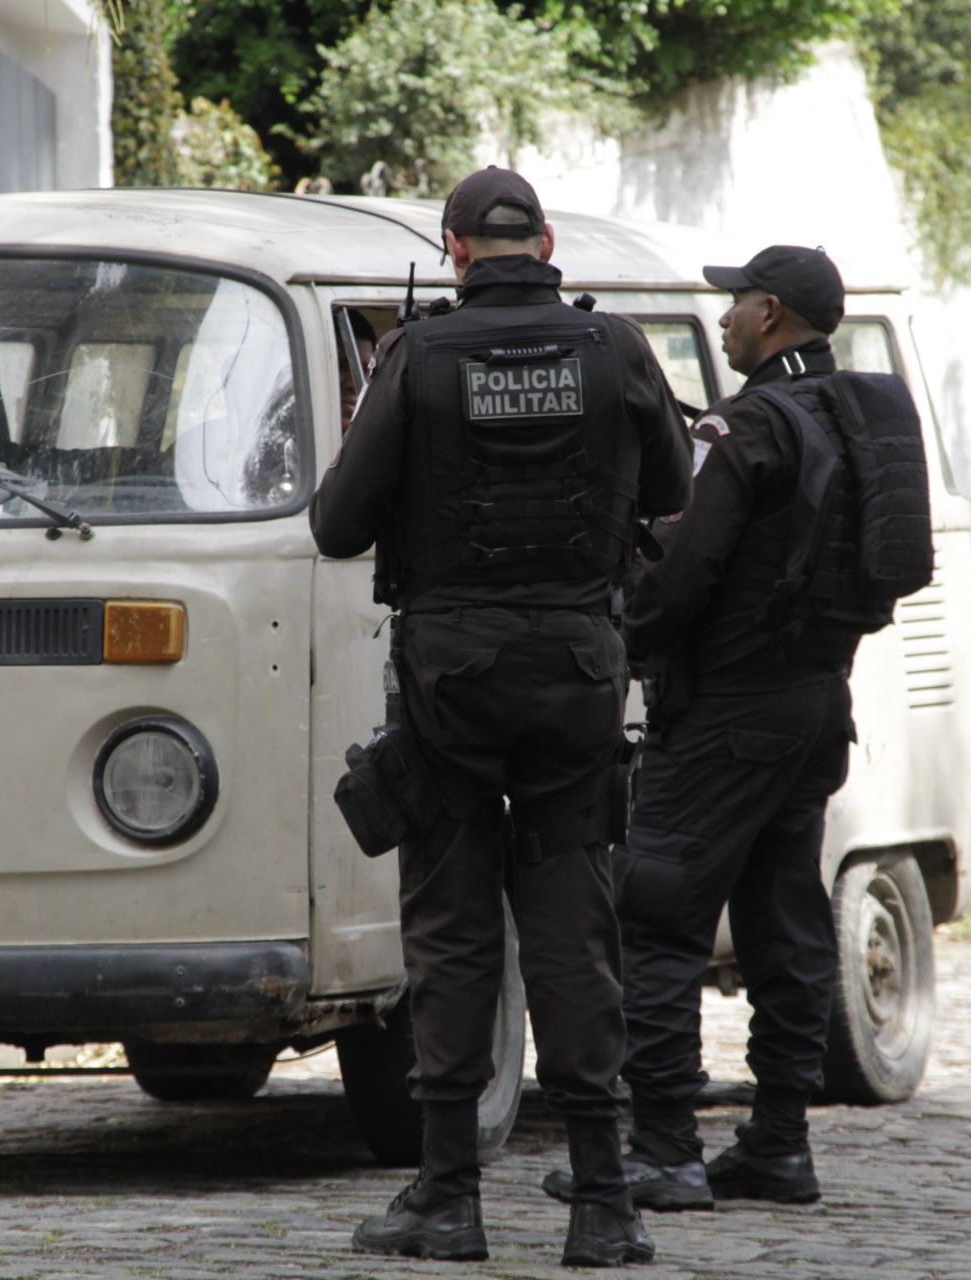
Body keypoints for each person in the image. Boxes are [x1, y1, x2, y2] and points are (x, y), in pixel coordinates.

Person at [310, 167, 692, 1267]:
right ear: (548, 243)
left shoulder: (417, 355)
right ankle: (604, 1203)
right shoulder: (615, 349)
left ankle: (448, 1196)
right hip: (577, 671)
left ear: (456, 248)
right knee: (575, 924)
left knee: (453, 925)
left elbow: (338, 526)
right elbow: (672, 491)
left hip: (452, 682)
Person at [545, 244, 882, 1213]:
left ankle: (664, 1150)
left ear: (770, 313)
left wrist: (621, 636)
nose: (725, 318)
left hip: (726, 715)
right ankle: (778, 1143)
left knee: (657, 918)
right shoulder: (852, 415)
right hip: (816, 706)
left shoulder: (745, 425)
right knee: (785, 922)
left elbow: (683, 571)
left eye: (736, 303)